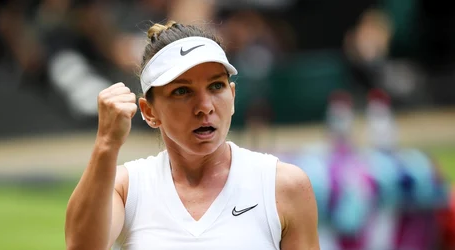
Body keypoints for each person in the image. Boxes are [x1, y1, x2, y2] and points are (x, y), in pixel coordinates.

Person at [65, 20, 320, 250]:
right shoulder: (126, 188)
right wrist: (106, 144)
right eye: (182, 91)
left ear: (232, 96)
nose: (205, 106)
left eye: (216, 86)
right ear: (149, 111)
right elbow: (81, 246)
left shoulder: (284, 185)